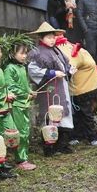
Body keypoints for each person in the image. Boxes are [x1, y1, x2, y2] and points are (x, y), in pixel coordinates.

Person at [27, 23, 74, 156]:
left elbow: (65, 65)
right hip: (49, 88)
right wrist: (52, 73)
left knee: (63, 113)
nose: (52, 39)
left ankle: (62, 145)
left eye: (53, 37)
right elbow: (33, 70)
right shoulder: (36, 52)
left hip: (61, 86)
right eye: (48, 37)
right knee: (50, 114)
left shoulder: (57, 50)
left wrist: (69, 70)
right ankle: (49, 148)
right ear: (41, 38)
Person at [56, 35, 97, 146]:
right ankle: (81, 135)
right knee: (80, 113)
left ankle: (89, 136)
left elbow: (70, 66)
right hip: (83, 85)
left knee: (84, 113)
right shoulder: (68, 47)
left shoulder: (67, 49)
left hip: (82, 86)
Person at [4, 42, 37, 170]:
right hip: (16, 104)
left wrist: (30, 91)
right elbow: (10, 87)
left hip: (23, 103)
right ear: (13, 54)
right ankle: (21, 160)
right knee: (20, 132)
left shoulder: (22, 67)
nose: (24, 56)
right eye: (21, 53)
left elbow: (25, 84)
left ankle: (22, 157)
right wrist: (25, 94)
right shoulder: (9, 68)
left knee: (25, 130)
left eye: (25, 53)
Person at [0, 43, 18, 178]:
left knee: (8, 134)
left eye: (0, 51)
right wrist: (5, 96)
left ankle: (2, 162)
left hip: (3, 107)